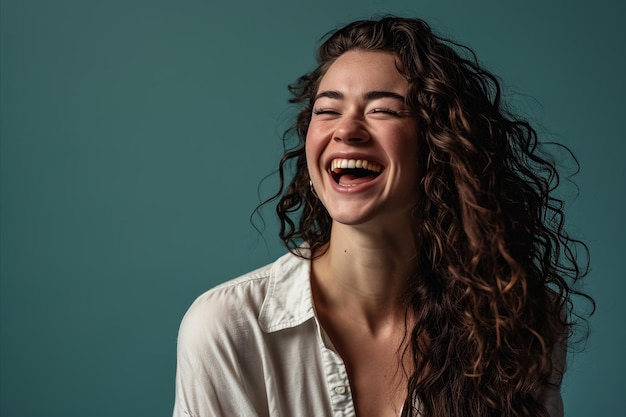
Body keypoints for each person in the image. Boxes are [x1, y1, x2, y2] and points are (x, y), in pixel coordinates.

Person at [173, 16, 592, 417]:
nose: (347, 130)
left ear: (440, 144)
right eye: (327, 109)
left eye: (383, 110)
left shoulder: (515, 318)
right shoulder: (228, 328)